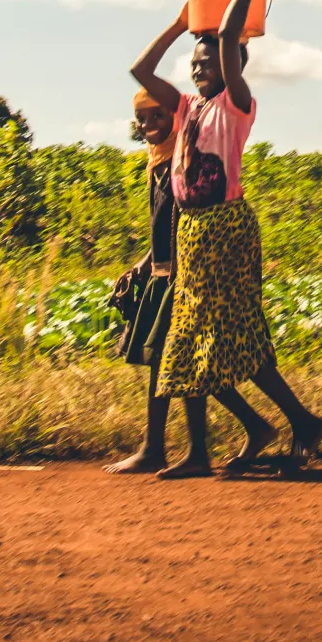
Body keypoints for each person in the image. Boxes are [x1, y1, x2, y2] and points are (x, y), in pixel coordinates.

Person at [131, 0, 322, 477]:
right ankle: (268, 430)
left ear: (235, 67)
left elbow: (224, 45)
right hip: (192, 229)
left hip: (226, 231)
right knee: (199, 337)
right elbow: (139, 69)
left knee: (223, 335)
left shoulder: (235, 105)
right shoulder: (187, 106)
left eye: (210, 63)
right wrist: (179, 25)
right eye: (194, 66)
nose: (201, 72)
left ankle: (286, 424)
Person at [107, 75, 279, 474]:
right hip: (165, 271)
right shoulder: (157, 162)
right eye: (140, 117)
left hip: (185, 272)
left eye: (157, 115)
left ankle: (200, 445)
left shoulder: (180, 161)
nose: (147, 123)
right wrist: (143, 265)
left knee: (181, 363)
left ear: (176, 116)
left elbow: (184, 221)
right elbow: (161, 227)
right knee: (165, 363)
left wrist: (172, 268)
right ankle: (165, 446)